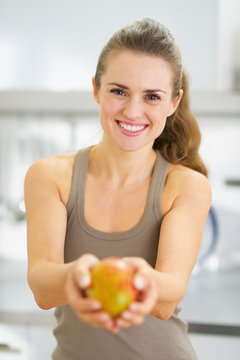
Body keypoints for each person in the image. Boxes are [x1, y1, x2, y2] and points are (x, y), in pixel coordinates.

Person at [24, 18, 211, 360]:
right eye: (118, 90)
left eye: (152, 96)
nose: (133, 110)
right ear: (96, 88)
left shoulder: (186, 186)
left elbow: (168, 298)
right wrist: (79, 275)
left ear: (173, 102)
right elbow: (42, 286)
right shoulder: (48, 176)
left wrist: (136, 278)